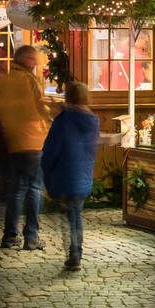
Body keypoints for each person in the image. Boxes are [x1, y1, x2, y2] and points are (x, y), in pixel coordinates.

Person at [0, 45, 55, 250]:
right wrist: (51, 118)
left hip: (12, 141)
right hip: (32, 141)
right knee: (34, 189)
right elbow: (41, 108)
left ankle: (9, 235)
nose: (35, 63)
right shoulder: (29, 81)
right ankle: (31, 236)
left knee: (16, 190)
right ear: (24, 59)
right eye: (33, 59)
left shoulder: (4, 81)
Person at [41, 81, 102, 271]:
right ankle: (76, 251)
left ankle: (74, 253)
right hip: (83, 176)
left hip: (63, 175)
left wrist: (47, 176)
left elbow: (51, 150)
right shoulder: (93, 120)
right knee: (76, 215)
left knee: (70, 217)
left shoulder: (63, 121)